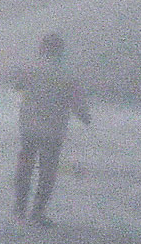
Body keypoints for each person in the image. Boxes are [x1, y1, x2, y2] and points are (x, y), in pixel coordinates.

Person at [13, 33, 89, 224]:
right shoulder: (67, 74)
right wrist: (85, 116)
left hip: (29, 125)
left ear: (43, 48)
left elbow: (18, 85)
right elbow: (77, 102)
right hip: (53, 128)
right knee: (48, 170)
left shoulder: (32, 68)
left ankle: (20, 208)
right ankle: (38, 212)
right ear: (61, 50)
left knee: (25, 166)